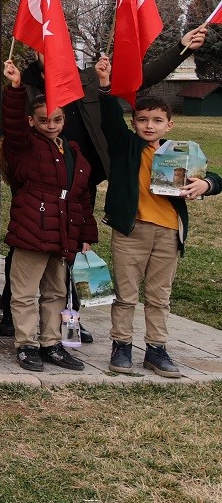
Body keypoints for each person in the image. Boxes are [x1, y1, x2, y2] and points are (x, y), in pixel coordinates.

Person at [0, 26, 209, 337]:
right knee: (26, 246)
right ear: (36, 52)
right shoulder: (24, 86)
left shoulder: (90, 79)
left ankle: (70, 320)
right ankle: (12, 316)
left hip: (80, 180)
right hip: (37, 184)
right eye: (45, 49)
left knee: (73, 249)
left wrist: (182, 48)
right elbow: (1, 132)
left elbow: (140, 77)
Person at [94, 56, 222, 376]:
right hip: (131, 231)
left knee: (159, 297)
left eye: (156, 120)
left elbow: (214, 178)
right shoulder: (125, 146)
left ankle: (156, 349)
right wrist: (106, 85)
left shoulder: (179, 153)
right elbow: (109, 118)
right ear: (134, 122)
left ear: (169, 124)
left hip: (168, 233)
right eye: (142, 120)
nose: (149, 126)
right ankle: (122, 346)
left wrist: (205, 184)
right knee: (126, 295)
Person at [0, 59, 97, 372]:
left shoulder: (73, 152)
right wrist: (16, 88)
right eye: (43, 120)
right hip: (32, 228)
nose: (51, 125)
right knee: (25, 293)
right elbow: (11, 125)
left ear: (64, 119)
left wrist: (86, 234)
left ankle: (51, 344)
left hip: (64, 232)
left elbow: (82, 196)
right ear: (31, 121)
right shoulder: (23, 146)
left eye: (56, 119)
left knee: (57, 291)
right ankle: (26, 344)